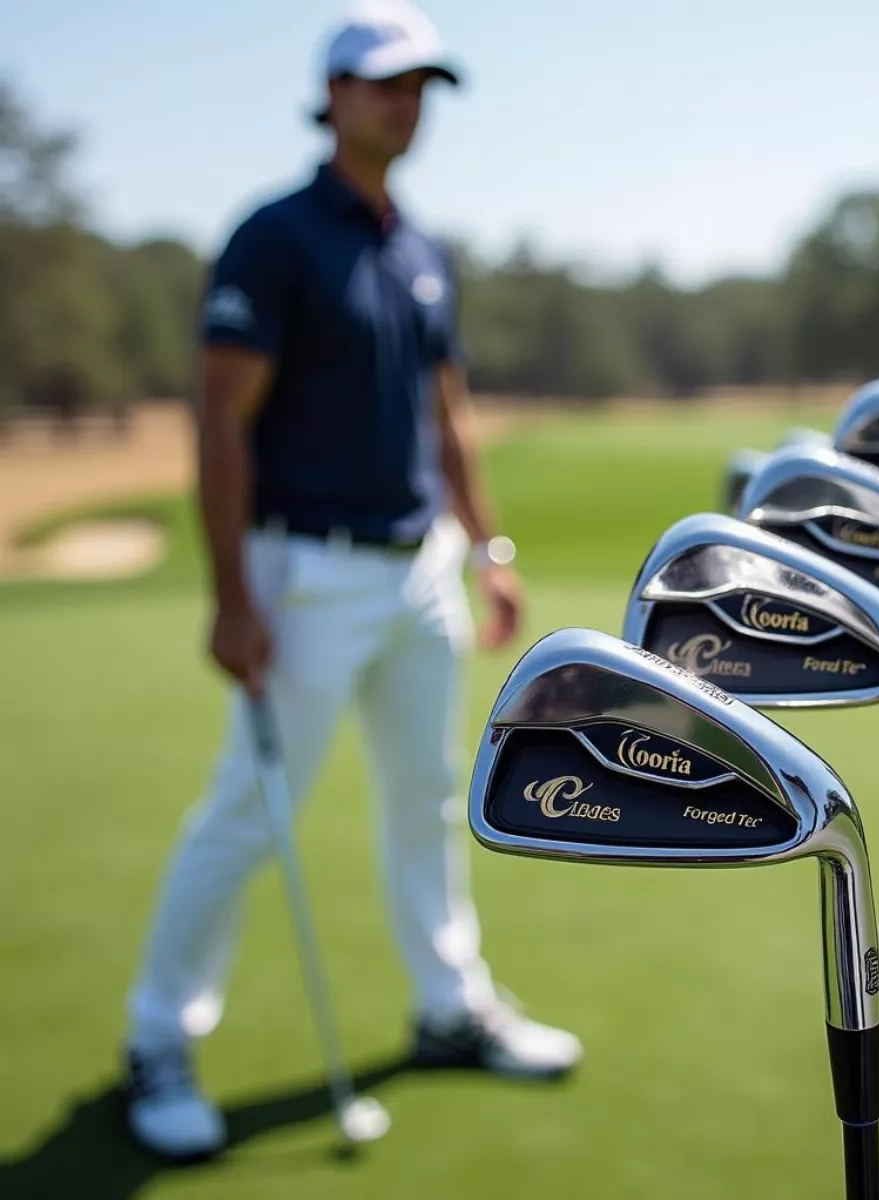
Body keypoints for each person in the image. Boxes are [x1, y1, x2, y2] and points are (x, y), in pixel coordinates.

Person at [123, 3, 581, 1160]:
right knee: (246, 812)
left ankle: (448, 1008)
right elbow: (222, 424)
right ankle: (159, 1041)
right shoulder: (274, 239)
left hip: (419, 567)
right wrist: (230, 596)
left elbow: (447, 417)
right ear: (331, 96)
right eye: (385, 84)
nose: (406, 103)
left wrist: (490, 550)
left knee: (427, 799)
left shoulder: (417, 248)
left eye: (423, 86)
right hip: (305, 574)